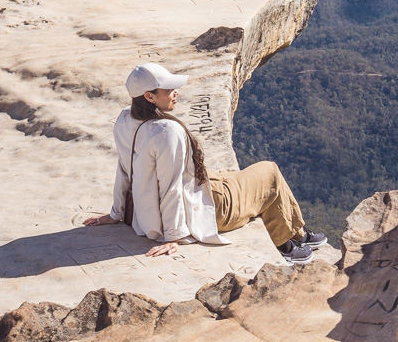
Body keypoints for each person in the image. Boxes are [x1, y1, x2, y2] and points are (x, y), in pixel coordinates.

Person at [82, 62, 328, 265]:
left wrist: (118, 213)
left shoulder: (125, 119)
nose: (175, 92)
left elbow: (125, 169)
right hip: (198, 211)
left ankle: (298, 234)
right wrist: (174, 235)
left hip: (155, 209)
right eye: (168, 89)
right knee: (269, 171)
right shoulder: (166, 131)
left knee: (232, 176)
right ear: (149, 96)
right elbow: (171, 186)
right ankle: (286, 245)